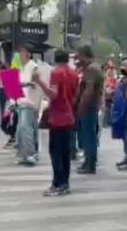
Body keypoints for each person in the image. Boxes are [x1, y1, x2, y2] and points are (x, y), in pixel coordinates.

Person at [33, 49, 79, 196]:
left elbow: (53, 94)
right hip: (69, 115)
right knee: (65, 153)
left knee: (56, 152)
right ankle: (65, 183)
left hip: (58, 117)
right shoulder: (73, 74)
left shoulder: (56, 73)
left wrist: (39, 81)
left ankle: (57, 183)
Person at [75, 45, 104, 175]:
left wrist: (81, 105)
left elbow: (89, 90)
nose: (77, 58)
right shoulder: (93, 67)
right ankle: (89, 161)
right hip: (91, 105)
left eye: (79, 55)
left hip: (88, 106)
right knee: (89, 135)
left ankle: (90, 163)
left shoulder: (91, 69)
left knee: (88, 136)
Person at [17, 44, 44, 166]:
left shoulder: (33, 67)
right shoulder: (22, 67)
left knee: (26, 128)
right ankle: (24, 154)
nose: (20, 55)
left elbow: (34, 84)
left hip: (30, 102)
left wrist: (23, 84)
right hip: (22, 102)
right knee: (21, 130)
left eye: (22, 53)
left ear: (28, 54)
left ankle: (31, 153)